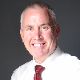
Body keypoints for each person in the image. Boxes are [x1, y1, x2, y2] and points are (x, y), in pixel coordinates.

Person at [11, 1, 80, 80]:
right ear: (22, 35)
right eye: (30, 28)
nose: (37, 36)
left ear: (56, 31)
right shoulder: (18, 75)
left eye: (44, 27)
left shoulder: (76, 70)